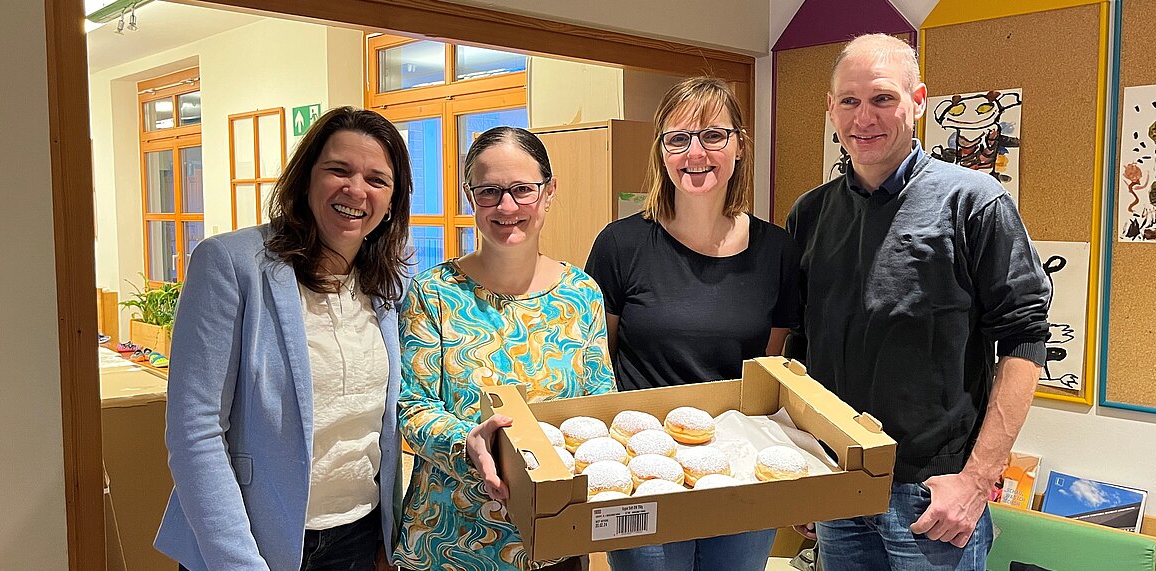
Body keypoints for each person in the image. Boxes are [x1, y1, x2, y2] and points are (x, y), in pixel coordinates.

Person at [786, 34, 1051, 570]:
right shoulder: (810, 214)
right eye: (849, 101)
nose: (865, 118)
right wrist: (803, 463)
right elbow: (799, 349)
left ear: (918, 100)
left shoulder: (974, 201)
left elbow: (1025, 339)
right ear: (831, 108)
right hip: (840, 485)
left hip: (933, 496)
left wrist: (977, 481)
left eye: (883, 98)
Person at [155, 107, 412, 571]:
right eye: (338, 170)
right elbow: (195, 432)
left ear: (393, 201)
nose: (356, 190)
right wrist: (238, 562)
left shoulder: (390, 285)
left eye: (377, 179)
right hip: (250, 540)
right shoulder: (232, 264)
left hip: (358, 535)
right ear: (306, 178)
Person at [585, 76, 800, 571]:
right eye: (678, 138)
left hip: (740, 465)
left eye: (713, 135)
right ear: (662, 150)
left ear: (740, 145)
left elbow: (769, 369)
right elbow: (600, 361)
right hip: (643, 465)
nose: (694, 153)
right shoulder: (621, 245)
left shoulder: (778, 251)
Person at [396, 126, 614, 571]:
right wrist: (467, 443)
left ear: (549, 192)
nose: (507, 206)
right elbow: (412, 407)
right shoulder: (433, 293)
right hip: (450, 537)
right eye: (490, 191)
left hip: (554, 537)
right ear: (469, 196)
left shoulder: (581, 294)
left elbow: (598, 404)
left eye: (522, 190)